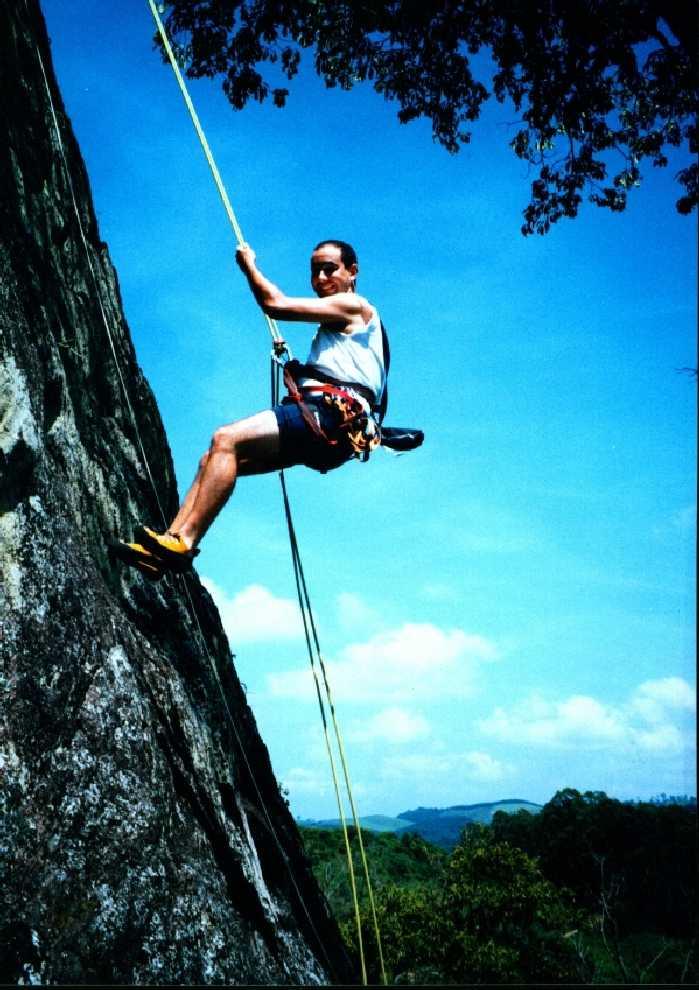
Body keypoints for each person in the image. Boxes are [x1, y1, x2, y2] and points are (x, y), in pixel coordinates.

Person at [112, 239, 387, 579]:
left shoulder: (353, 305)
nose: (320, 277)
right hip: (336, 431)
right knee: (214, 459)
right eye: (315, 270)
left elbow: (275, 304)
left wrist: (249, 265)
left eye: (330, 268)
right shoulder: (350, 329)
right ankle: (166, 546)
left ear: (352, 272)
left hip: (329, 414)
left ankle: (184, 541)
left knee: (225, 439)